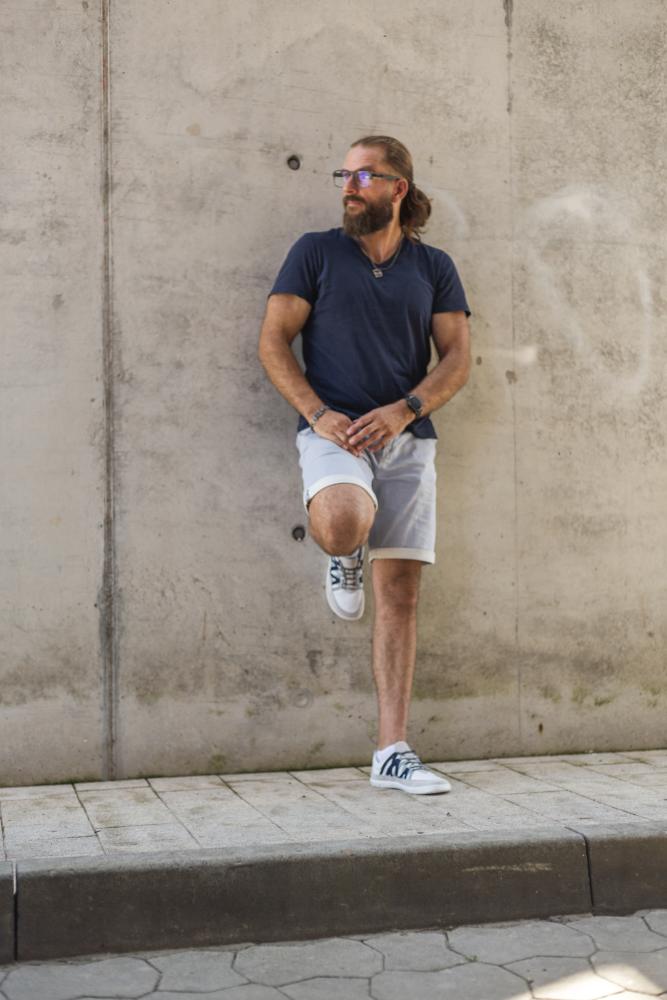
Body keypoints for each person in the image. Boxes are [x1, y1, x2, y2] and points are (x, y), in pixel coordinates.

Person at [258, 135, 471, 795]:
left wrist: (406, 409)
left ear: (397, 188)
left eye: (362, 175)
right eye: (342, 175)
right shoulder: (315, 252)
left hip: (407, 437)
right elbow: (271, 340)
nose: (347, 186)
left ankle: (391, 752)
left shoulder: (432, 266)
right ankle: (341, 550)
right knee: (345, 520)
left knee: (401, 594)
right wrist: (318, 414)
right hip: (333, 432)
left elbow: (458, 358)